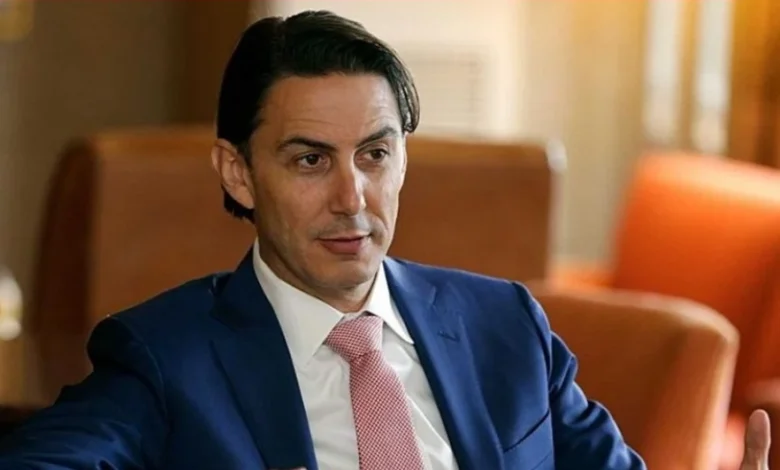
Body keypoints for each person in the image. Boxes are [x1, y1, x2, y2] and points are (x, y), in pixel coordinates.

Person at [0, 10, 771, 470]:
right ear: (239, 173)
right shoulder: (166, 357)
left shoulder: (506, 327)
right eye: (310, 160)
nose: (352, 197)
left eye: (375, 154)